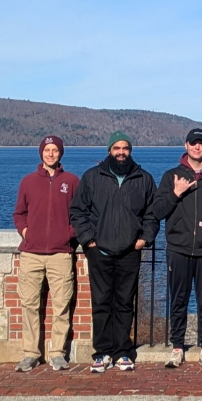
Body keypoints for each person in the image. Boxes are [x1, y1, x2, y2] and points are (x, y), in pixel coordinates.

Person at [70, 131, 159, 373]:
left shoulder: (143, 178)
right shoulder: (92, 177)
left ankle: (122, 352)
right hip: (100, 252)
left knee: (124, 304)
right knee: (101, 303)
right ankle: (102, 352)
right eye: (117, 148)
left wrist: (144, 240)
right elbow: (78, 212)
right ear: (109, 150)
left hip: (130, 251)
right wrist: (88, 241)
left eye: (125, 148)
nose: (121, 152)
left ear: (130, 151)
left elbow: (152, 213)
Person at [153, 128, 202, 369]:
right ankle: (177, 347)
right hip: (178, 247)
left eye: (201, 143)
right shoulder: (171, 176)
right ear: (185, 145)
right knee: (178, 299)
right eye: (193, 143)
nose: (197, 147)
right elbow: (158, 210)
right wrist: (175, 193)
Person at [12, 135, 80, 372]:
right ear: (41, 153)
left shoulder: (71, 181)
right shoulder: (28, 182)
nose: (51, 154)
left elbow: (81, 214)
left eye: (55, 150)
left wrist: (67, 233)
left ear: (61, 153)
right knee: (29, 304)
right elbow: (19, 213)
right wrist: (26, 232)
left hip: (61, 254)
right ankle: (31, 353)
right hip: (31, 254)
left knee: (61, 305)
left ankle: (58, 353)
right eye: (47, 150)